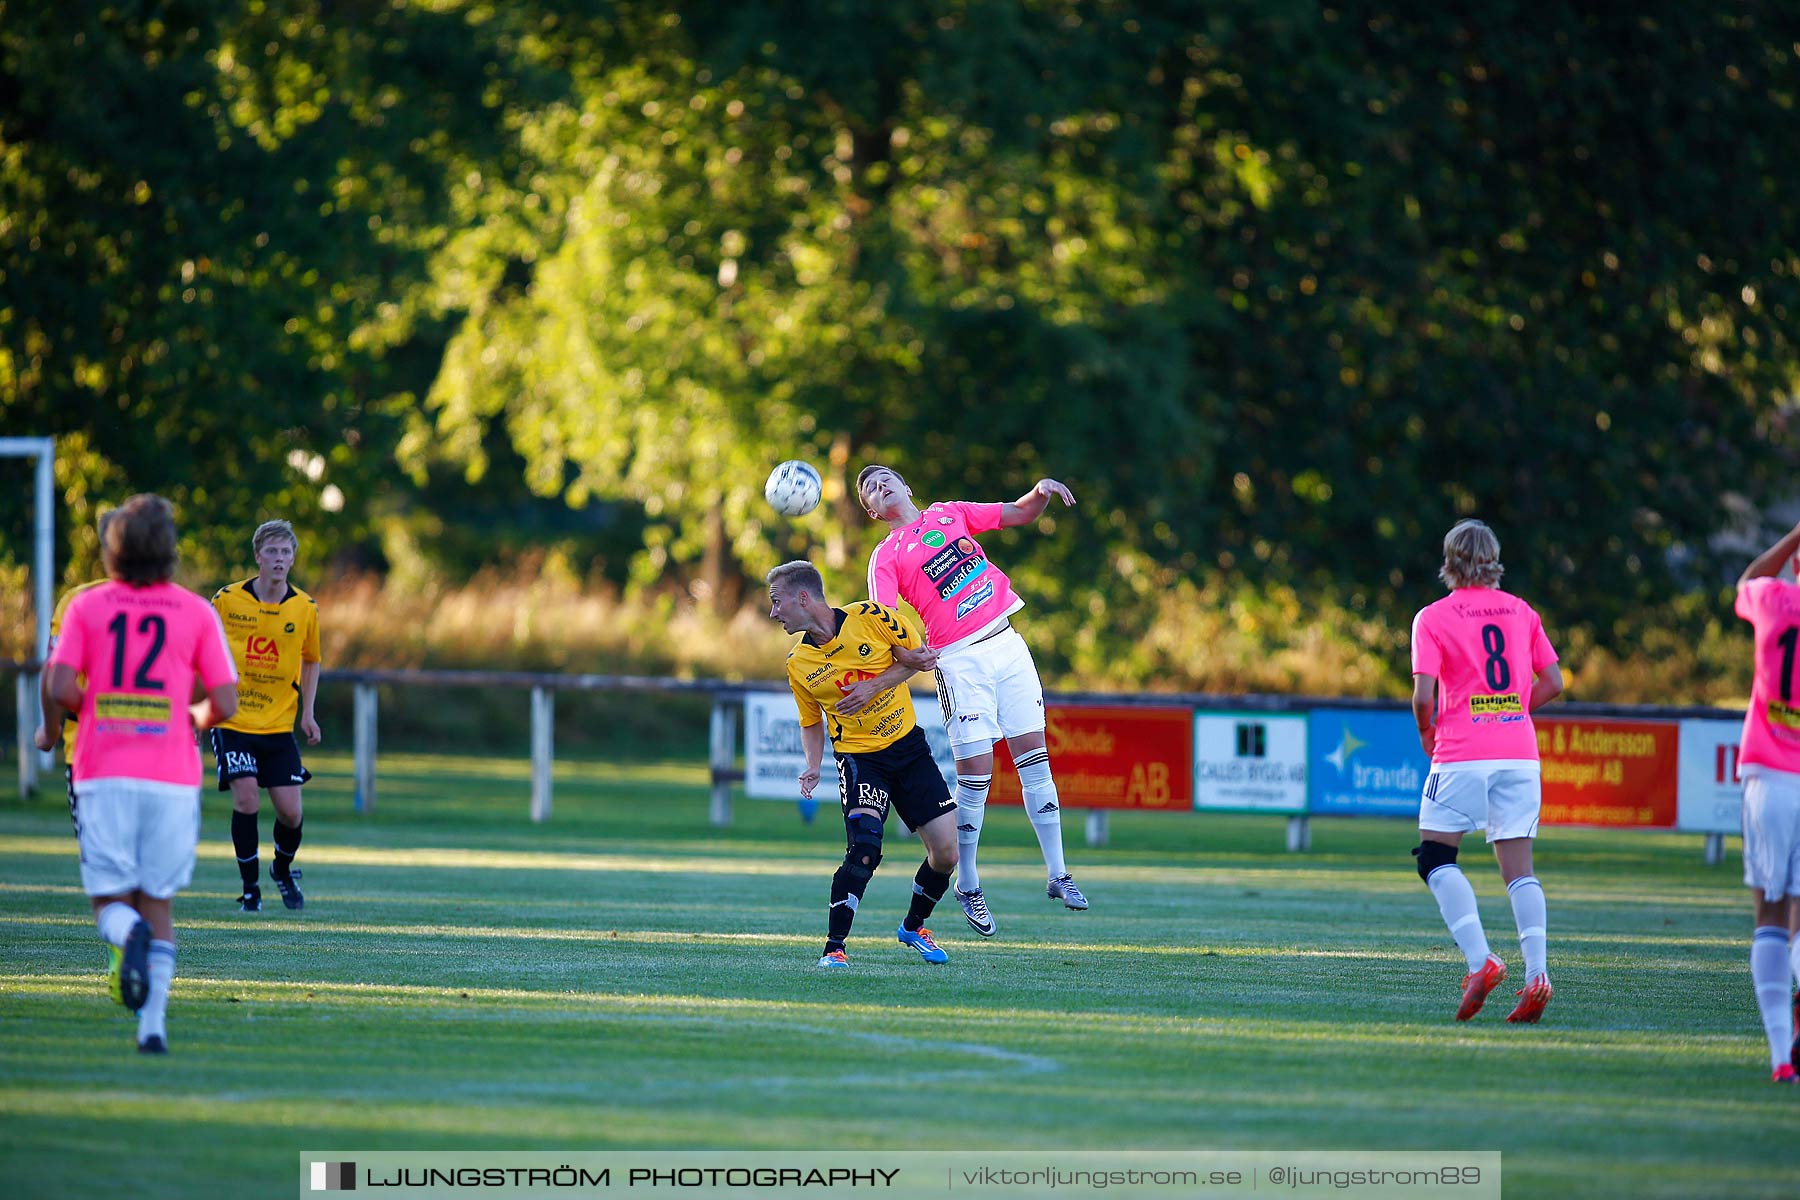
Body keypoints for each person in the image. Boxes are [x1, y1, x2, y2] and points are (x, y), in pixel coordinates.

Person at [42, 494, 239, 1053]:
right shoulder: (196, 610)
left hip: (103, 768)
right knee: (159, 903)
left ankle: (125, 937)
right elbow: (224, 699)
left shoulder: (87, 606)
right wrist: (188, 720)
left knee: (111, 902)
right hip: (172, 775)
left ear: (113, 549)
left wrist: (99, 708)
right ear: (171, 551)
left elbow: (58, 687)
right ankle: (152, 1027)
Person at [857, 464, 1084, 938]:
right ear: (874, 513)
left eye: (885, 481)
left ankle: (1059, 874)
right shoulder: (886, 556)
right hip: (959, 661)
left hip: (1007, 642)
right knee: (976, 776)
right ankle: (969, 882)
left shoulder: (950, 513)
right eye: (871, 492)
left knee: (1036, 762)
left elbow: (1020, 512)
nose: (881, 489)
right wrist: (906, 654)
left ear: (907, 485)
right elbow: (881, 622)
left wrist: (1041, 489)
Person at [766, 560, 958, 967]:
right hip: (860, 760)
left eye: (777, 601)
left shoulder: (872, 617)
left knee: (946, 853)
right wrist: (813, 765)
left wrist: (872, 686)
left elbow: (918, 659)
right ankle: (834, 947)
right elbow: (810, 721)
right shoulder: (798, 664)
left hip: (909, 749)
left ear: (804, 598)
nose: (773, 612)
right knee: (865, 850)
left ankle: (913, 927)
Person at [1410, 519, 1563, 1022]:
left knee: (1434, 857)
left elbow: (1423, 696)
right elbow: (1554, 681)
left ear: (1449, 560)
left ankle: (1482, 961)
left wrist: (1428, 734)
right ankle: (1537, 974)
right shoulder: (1522, 611)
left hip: (1461, 751)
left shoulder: (1432, 617)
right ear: (1494, 558)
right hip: (1518, 753)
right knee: (1520, 870)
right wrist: (1512, 710)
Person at [209, 519, 322, 912]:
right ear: (257, 556)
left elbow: (311, 661)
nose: (279, 558)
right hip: (233, 722)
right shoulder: (226, 600)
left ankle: (282, 869)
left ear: (293, 559)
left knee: (291, 813)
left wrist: (307, 713)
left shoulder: (304, 608)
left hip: (278, 726)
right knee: (246, 800)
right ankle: (250, 889)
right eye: (271, 551)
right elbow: (201, 650)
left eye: (285, 552)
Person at [34, 511, 116, 998]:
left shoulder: (78, 602)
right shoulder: (181, 604)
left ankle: (124, 940)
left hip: (88, 752)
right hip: (156, 758)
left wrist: (48, 730)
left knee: (101, 862)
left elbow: (55, 676)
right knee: (145, 872)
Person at [1732, 520, 1800, 1083]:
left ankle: (1782, 1056)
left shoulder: (1775, 599)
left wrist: (1794, 537)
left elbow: (1750, 578)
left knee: (1770, 921)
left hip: (1770, 776)